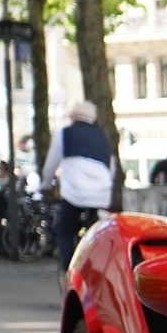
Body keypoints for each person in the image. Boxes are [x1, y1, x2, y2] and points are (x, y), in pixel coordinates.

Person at [42, 102, 114, 267]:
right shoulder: (102, 135)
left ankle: (68, 270)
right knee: (96, 230)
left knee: (65, 230)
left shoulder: (65, 133)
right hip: (100, 193)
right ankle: (97, 264)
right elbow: (111, 165)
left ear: (73, 117)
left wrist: (46, 183)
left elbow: (51, 163)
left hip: (74, 192)